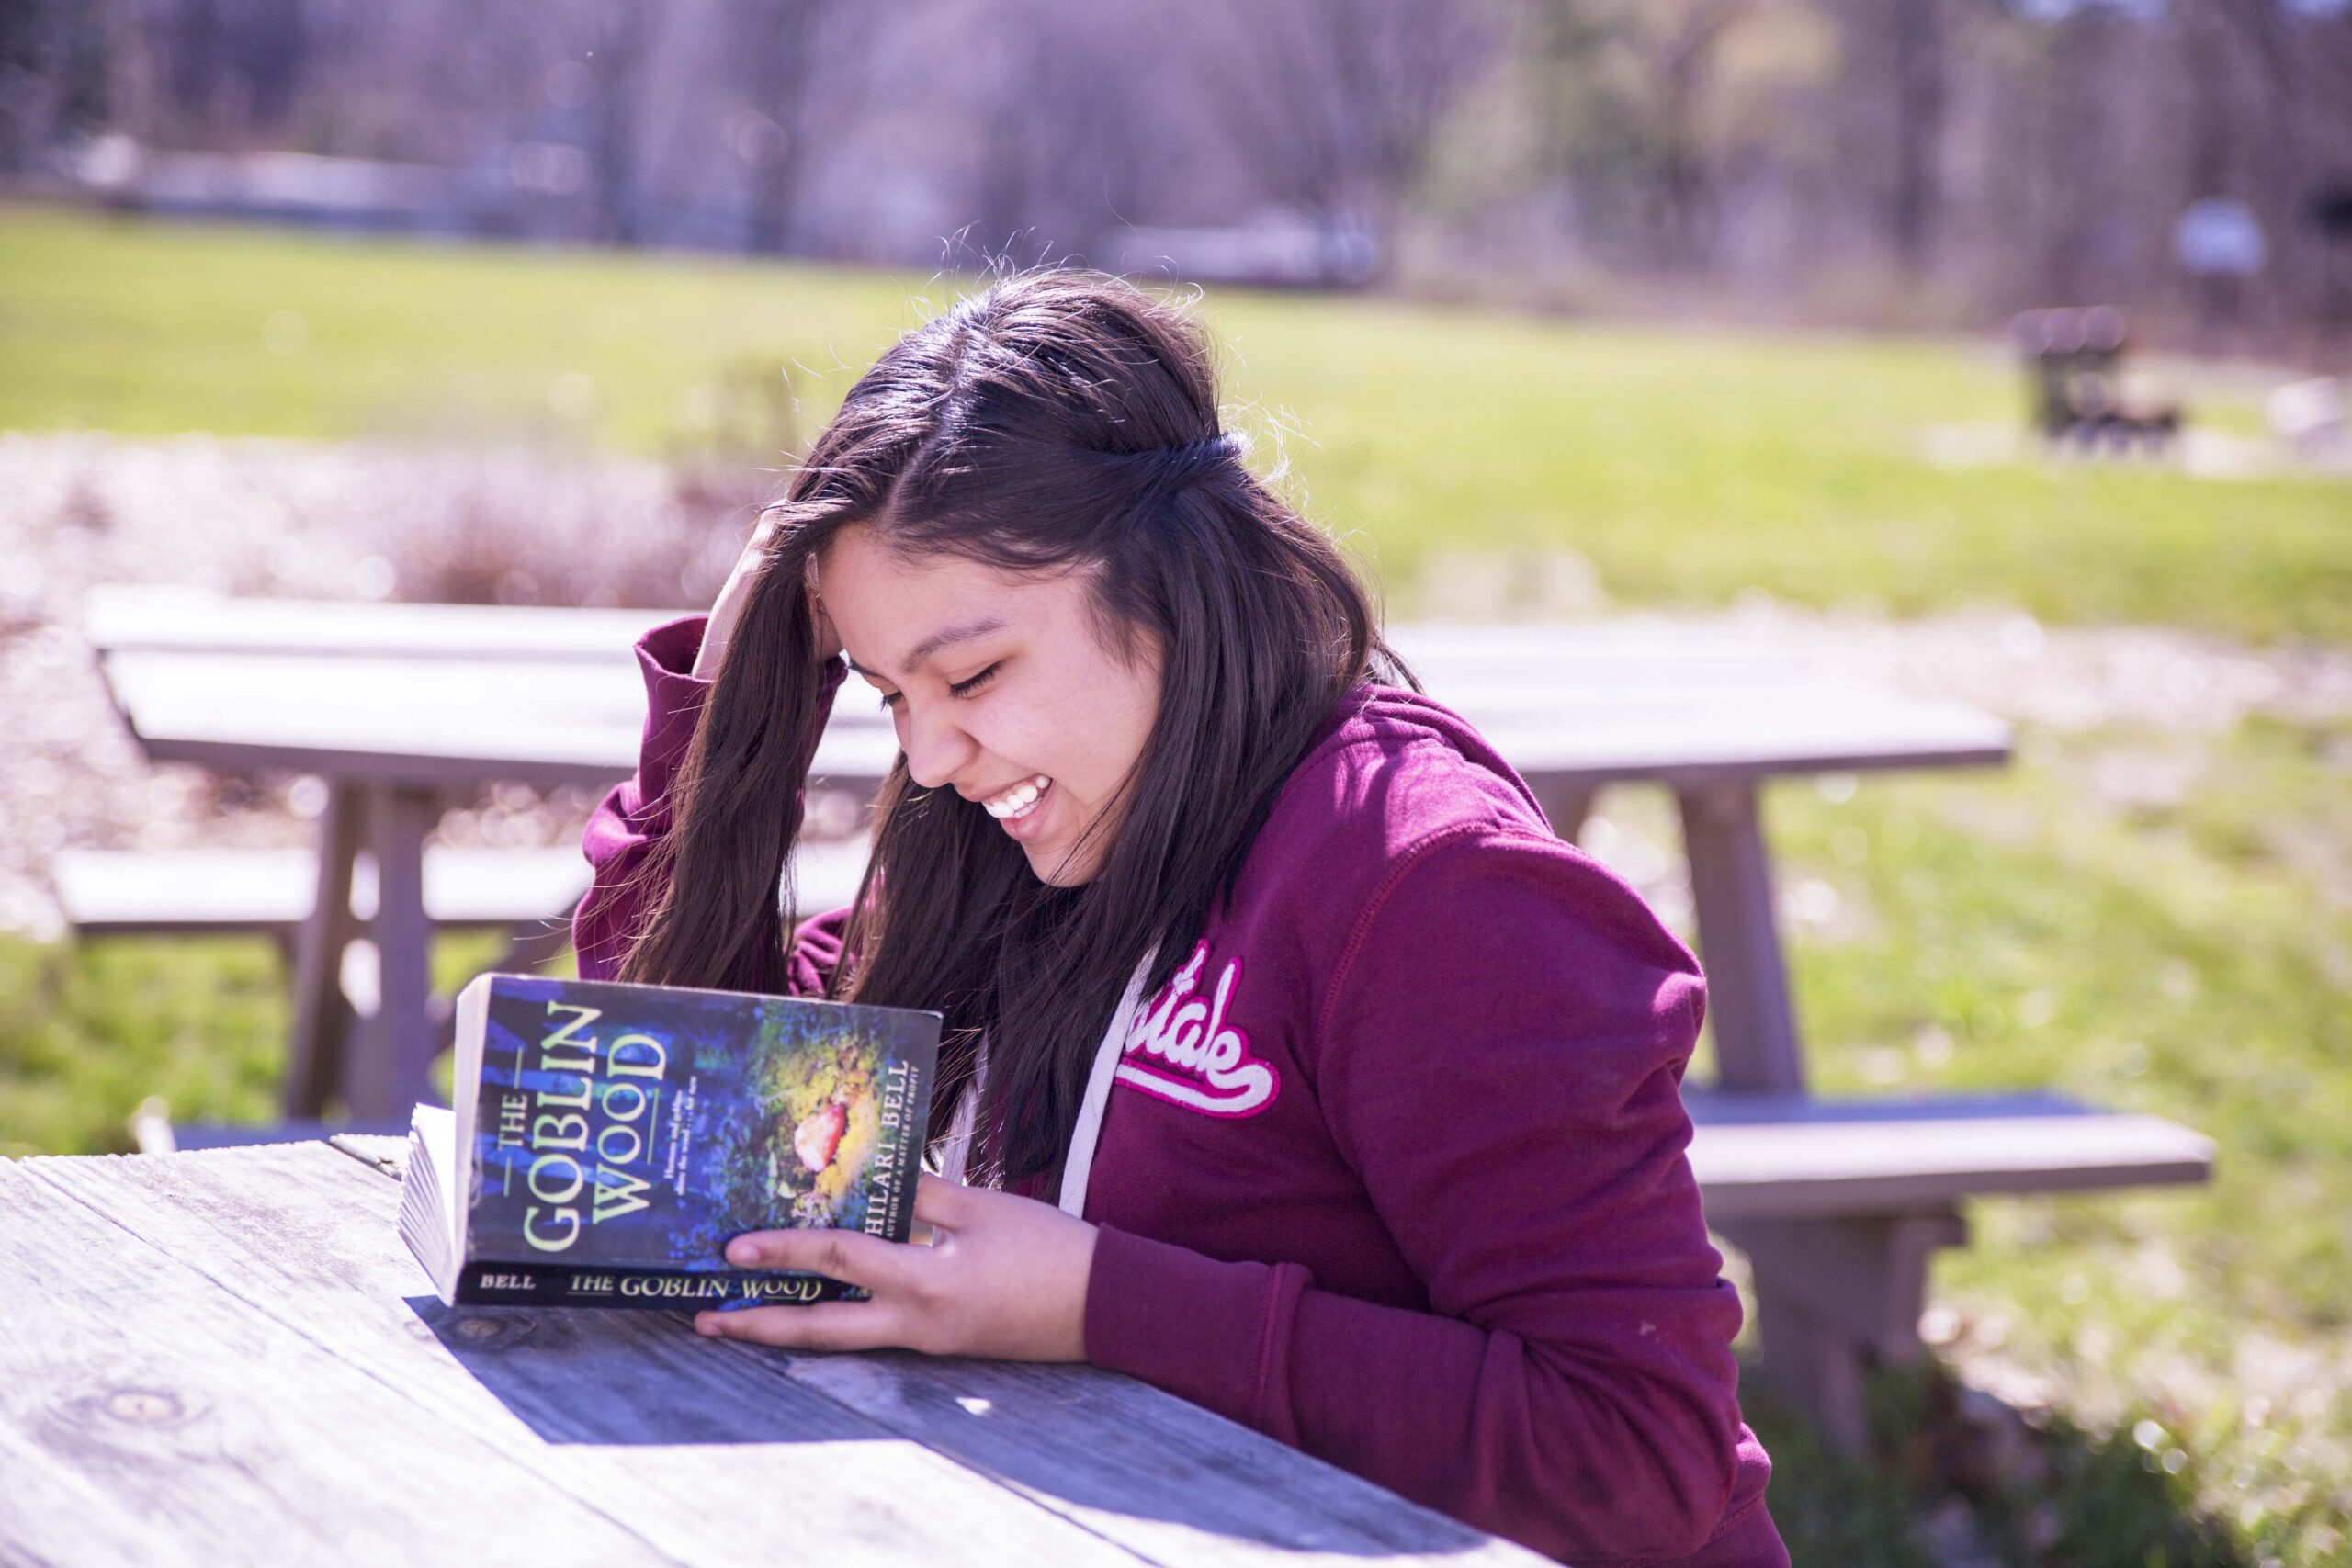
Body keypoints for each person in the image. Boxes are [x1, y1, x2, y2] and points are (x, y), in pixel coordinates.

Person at [572, 269, 1786, 1566]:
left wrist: (1103, 1302)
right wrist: (728, 715)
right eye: (883, 693)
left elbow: (1637, 1456)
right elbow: (706, 1148)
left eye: (972, 673)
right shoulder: (998, 836)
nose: (929, 757)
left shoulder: (1433, 889)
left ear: (1169, 581)